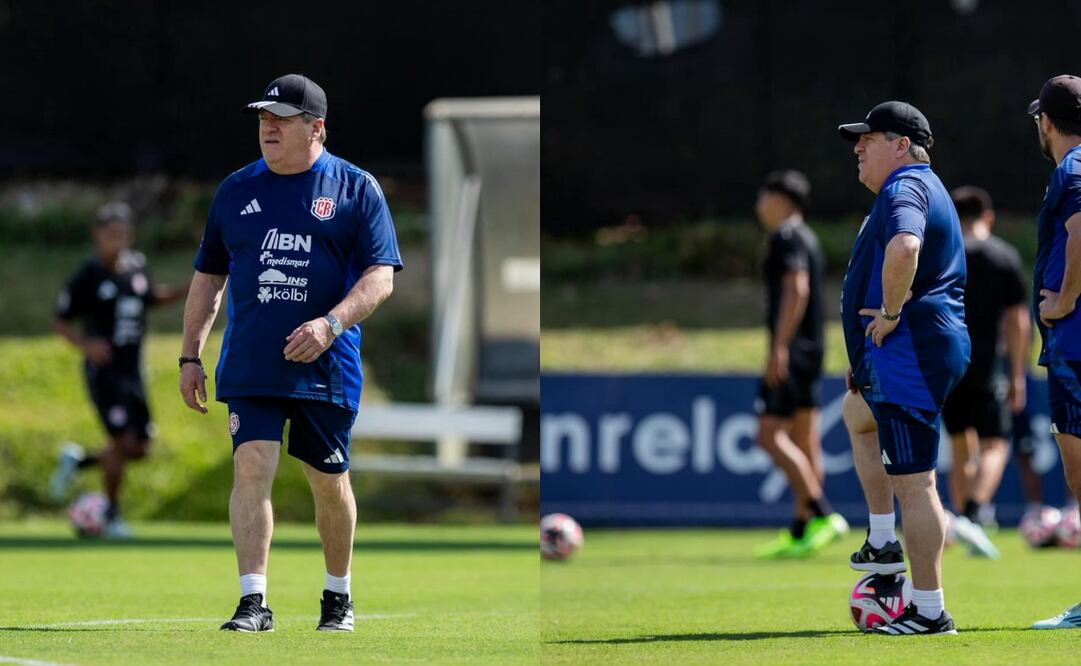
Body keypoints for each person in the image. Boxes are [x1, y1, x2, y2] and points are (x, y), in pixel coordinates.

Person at [178, 74, 402, 633]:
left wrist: (331, 325)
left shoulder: (355, 188)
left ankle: (338, 595)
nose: (268, 127)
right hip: (252, 362)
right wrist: (189, 356)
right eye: (262, 118)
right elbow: (208, 278)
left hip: (326, 364)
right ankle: (254, 603)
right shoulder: (235, 190)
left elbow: (381, 277)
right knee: (252, 464)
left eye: (281, 119)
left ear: (317, 128)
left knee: (329, 482)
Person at [837, 101, 969, 636]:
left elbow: (906, 246)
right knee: (856, 413)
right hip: (901, 352)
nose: (858, 147)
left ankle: (930, 610)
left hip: (910, 350)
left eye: (869, 138)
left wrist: (890, 315)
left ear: (900, 145)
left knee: (916, 483)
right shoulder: (914, 185)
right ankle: (882, 537)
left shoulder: (906, 185)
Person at [49, 202, 187, 537]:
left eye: (123, 234)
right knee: (123, 441)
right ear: (98, 235)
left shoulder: (137, 267)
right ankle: (110, 516)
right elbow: (60, 319)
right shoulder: (89, 274)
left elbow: (151, 298)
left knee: (140, 448)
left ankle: (79, 462)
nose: (118, 240)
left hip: (133, 371)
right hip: (106, 372)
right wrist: (87, 345)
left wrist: (193, 287)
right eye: (111, 234)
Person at [750, 170, 849, 559]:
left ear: (779, 200)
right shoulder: (807, 236)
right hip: (812, 350)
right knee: (806, 441)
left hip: (793, 350)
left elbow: (797, 288)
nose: (759, 206)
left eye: (763, 197)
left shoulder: (786, 237)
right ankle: (800, 530)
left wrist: (779, 346)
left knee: (768, 435)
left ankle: (823, 513)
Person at [940, 186, 1030, 559]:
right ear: (988, 217)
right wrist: (1017, 373)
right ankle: (974, 513)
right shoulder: (1003, 256)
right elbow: (1018, 321)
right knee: (995, 443)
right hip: (987, 366)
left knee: (961, 444)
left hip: (947, 365)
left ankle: (963, 522)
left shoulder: (944, 254)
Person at [1026, 75, 1081, 630]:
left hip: (1076, 341)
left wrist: (1065, 298)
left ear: (1046, 121)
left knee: (1079, 468)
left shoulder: (1073, 168)